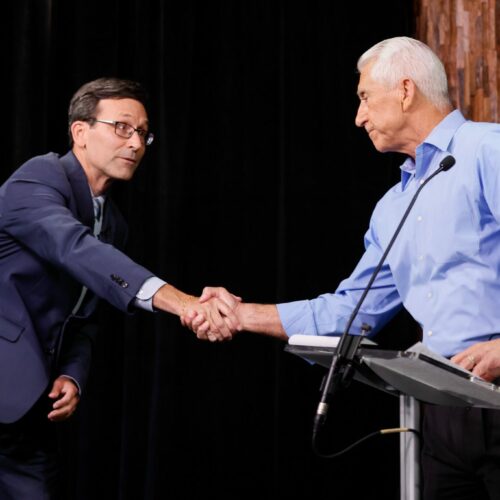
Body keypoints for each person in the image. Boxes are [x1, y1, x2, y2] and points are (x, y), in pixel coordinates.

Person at [186, 37, 500, 499]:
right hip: (443, 413)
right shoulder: (392, 208)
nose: (359, 116)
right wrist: (240, 314)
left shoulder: (486, 149)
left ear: (406, 90)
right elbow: (350, 311)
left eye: (364, 98)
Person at [0, 77, 240, 499]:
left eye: (144, 133)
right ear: (80, 132)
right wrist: (183, 303)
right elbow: (75, 250)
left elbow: (84, 319)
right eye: (122, 128)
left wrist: (73, 375)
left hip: (29, 413)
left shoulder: (114, 225)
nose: (136, 144)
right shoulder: (37, 178)